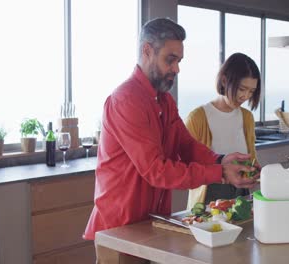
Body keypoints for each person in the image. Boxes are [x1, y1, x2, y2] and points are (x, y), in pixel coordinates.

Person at [83, 18, 258, 263]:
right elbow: (156, 171)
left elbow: (185, 145)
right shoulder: (126, 100)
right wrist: (220, 172)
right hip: (120, 228)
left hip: (150, 223)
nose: (176, 68)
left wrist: (221, 159)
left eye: (179, 61)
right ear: (147, 51)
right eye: (170, 59)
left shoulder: (164, 100)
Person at [186, 52, 262, 210]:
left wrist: (255, 170)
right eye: (242, 88)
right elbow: (187, 165)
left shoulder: (247, 117)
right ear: (224, 80)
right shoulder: (198, 117)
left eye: (251, 91)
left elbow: (251, 155)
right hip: (209, 195)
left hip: (241, 192)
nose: (245, 96)